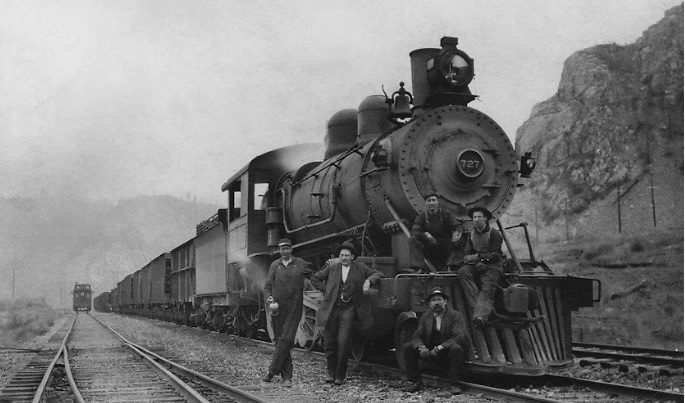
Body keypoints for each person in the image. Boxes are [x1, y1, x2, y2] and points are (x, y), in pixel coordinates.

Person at [310, 241, 384, 385]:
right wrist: (327, 291)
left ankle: (340, 376)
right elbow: (315, 278)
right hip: (332, 309)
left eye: (346, 255)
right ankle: (331, 373)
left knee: (343, 343)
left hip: (348, 309)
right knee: (329, 343)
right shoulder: (332, 268)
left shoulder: (360, 267)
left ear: (352, 257)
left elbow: (378, 273)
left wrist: (369, 281)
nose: (343, 258)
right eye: (341, 255)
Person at [262, 238, 313, 384]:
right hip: (277, 307)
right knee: (280, 341)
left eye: (287, 248)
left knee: (286, 339)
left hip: (294, 307)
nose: (284, 251)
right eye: (282, 248)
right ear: (279, 250)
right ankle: (287, 377)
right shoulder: (274, 265)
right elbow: (267, 286)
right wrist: (270, 301)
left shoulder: (300, 263)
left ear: (291, 249)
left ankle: (271, 372)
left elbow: (314, 275)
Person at [401, 286, 466, 394]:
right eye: (433, 300)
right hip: (430, 351)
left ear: (445, 302)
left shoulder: (455, 316)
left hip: (446, 351)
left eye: (439, 299)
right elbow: (417, 336)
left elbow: (459, 337)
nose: (436, 303)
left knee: (456, 348)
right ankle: (415, 382)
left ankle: (455, 384)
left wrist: (440, 347)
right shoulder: (426, 316)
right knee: (408, 347)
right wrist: (422, 348)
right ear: (430, 304)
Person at [457, 206, 503, 327]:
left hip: (493, 266)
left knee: (487, 288)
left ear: (486, 218)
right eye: (474, 217)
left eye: (479, 217)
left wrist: (478, 257)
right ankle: (482, 311)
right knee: (463, 272)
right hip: (476, 265)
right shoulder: (471, 235)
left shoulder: (494, 234)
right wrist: (477, 262)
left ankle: (481, 317)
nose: (476, 220)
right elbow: (466, 255)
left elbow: (495, 255)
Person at [407, 193, 464, 272]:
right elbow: (415, 231)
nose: (431, 203)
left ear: (437, 202)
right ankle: (418, 267)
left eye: (433, 200)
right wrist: (427, 236)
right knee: (412, 239)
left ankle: (452, 266)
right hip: (429, 244)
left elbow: (458, 226)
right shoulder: (421, 217)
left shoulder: (446, 214)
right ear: (426, 203)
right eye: (429, 201)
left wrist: (456, 234)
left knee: (459, 240)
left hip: (445, 244)